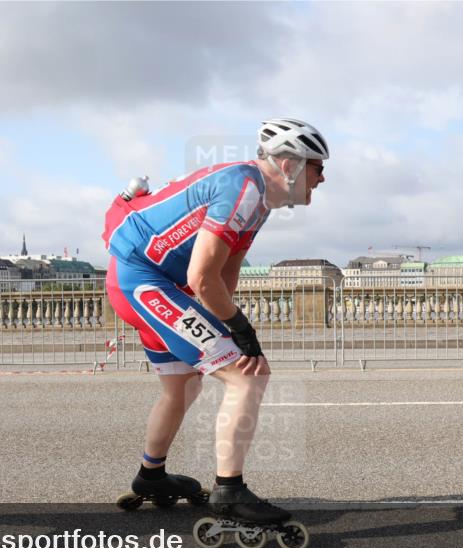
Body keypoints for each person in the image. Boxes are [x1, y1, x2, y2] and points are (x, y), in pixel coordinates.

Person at [103, 118, 328, 526]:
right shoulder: (243, 188)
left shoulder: (260, 199)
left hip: (147, 281)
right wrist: (244, 334)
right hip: (145, 282)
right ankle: (230, 489)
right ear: (290, 165)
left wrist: (225, 328)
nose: (323, 178)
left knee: (182, 384)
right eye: (317, 167)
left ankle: (150, 476)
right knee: (247, 377)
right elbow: (201, 278)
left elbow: (226, 273)